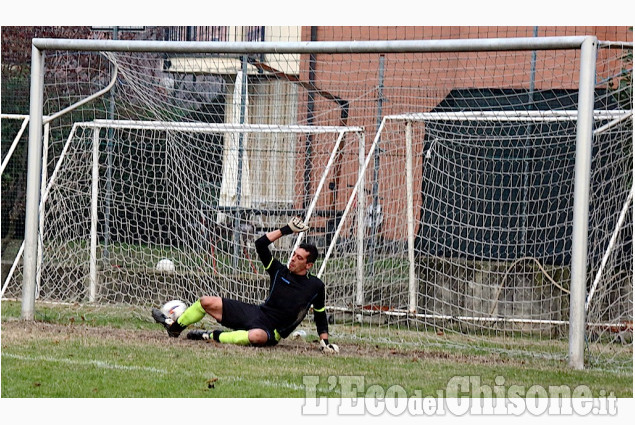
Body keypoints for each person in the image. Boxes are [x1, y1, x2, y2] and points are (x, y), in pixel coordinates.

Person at [152, 217, 339, 353]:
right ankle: (175, 328)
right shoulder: (278, 271)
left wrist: (325, 341)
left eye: (299, 258)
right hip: (256, 313)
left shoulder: (315, 286)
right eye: (294, 255)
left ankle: (209, 335)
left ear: (308, 265)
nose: (293, 259)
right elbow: (260, 244)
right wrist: (286, 230)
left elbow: (320, 315)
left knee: (256, 337)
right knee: (205, 302)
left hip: (271, 331)